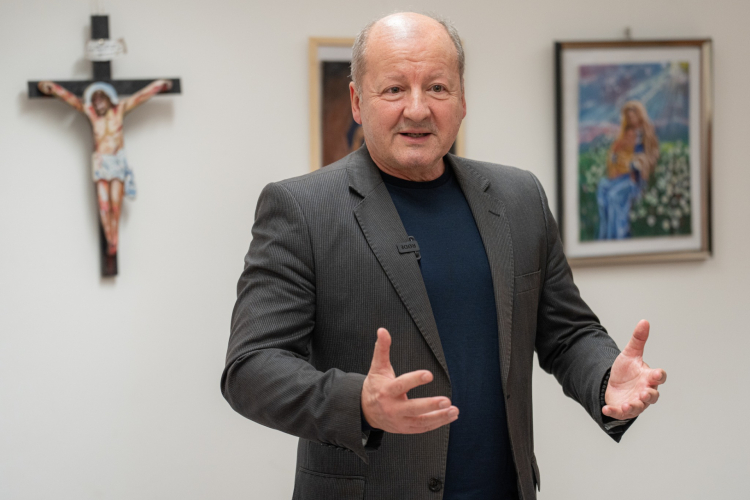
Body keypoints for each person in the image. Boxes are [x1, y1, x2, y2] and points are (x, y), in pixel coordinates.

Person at [222, 13, 667, 500]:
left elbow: (567, 332)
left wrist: (605, 378)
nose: (417, 109)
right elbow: (251, 367)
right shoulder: (301, 208)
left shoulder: (519, 197)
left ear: (462, 99)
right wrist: (359, 402)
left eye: (437, 88)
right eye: (394, 89)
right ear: (356, 101)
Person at [38, 79, 172, 255]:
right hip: (101, 162)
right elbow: (72, 101)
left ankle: (115, 238)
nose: (98, 104)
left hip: (117, 161)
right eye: (95, 101)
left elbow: (140, 97)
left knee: (115, 205)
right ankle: (110, 240)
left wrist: (159, 85)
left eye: (101, 100)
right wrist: (54, 89)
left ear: (109, 99)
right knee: (103, 206)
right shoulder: (91, 114)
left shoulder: (120, 110)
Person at [597, 100, 660, 239]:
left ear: (639, 116)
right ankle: (605, 235)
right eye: (628, 117)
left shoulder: (647, 134)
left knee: (614, 196)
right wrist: (617, 162)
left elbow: (651, 156)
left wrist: (639, 162)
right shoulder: (626, 133)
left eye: (633, 116)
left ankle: (617, 235)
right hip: (623, 174)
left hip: (636, 178)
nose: (631, 119)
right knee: (602, 188)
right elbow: (616, 154)